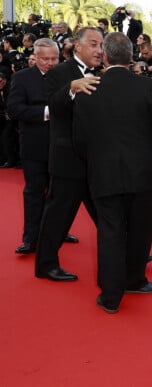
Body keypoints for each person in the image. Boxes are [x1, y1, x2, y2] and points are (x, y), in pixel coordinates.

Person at [72, 32, 152, 313]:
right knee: (140, 229)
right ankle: (134, 280)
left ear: (107, 56)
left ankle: (111, 296)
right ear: (131, 57)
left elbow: (80, 140)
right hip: (143, 174)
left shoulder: (88, 89)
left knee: (110, 232)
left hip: (104, 173)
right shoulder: (146, 86)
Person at [34, 27, 103, 282]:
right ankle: (46, 265)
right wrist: (72, 89)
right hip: (67, 160)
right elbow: (53, 105)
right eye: (94, 44)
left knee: (107, 213)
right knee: (58, 215)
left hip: (96, 160)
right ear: (78, 46)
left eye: (101, 45)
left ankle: (127, 253)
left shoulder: (102, 74)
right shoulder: (60, 73)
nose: (99, 50)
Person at [6, 38, 62, 255]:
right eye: (45, 59)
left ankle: (58, 231)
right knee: (34, 192)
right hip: (34, 146)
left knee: (59, 195)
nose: (50, 63)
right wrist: (47, 112)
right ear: (35, 58)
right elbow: (14, 109)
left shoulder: (66, 75)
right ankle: (31, 238)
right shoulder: (21, 78)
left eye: (54, 58)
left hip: (63, 146)